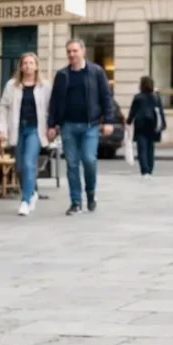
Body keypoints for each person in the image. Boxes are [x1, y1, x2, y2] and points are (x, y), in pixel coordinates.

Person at [46, 38, 115, 215]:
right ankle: (76, 202)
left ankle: (90, 193)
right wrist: (52, 125)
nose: (72, 54)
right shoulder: (62, 75)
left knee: (89, 160)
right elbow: (54, 102)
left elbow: (106, 97)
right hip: (68, 126)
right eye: (69, 51)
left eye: (75, 51)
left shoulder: (96, 72)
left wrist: (108, 120)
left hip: (90, 125)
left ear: (83, 51)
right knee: (72, 164)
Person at [0, 52, 50, 216]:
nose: (28, 66)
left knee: (28, 163)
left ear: (37, 66)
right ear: (21, 66)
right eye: (25, 63)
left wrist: (52, 128)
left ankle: (25, 201)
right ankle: (32, 192)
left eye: (31, 63)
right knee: (19, 167)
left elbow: (50, 108)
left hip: (35, 129)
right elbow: (3, 108)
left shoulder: (44, 86)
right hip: (17, 129)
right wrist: (1, 129)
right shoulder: (12, 85)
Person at [128, 76, 166, 180]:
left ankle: (144, 171)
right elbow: (161, 111)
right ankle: (150, 169)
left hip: (141, 125)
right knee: (150, 148)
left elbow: (133, 111)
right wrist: (163, 124)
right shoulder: (156, 97)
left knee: (142, 148)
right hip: (153, 125)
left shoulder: (138, 97)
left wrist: (128, 121)